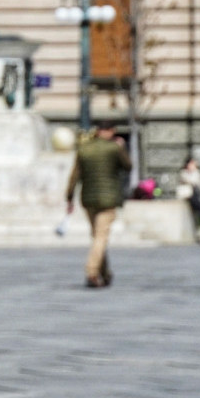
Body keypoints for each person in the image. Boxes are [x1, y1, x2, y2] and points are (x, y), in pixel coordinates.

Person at [65, 121, 132, 288]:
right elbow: (128, 166)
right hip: (108, 199)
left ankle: (105, 273)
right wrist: (122, 147)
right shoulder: (114, 148)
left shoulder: (84, 149)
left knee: (97, 236)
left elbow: (74, 176)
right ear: (110, 131)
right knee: (101, 237)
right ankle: (92, 272)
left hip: (88, 199)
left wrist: (69, 197)